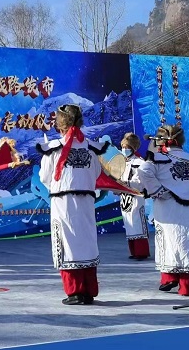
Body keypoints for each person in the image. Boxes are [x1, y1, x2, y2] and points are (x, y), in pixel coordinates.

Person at [37, 104, 108, 305]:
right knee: (86, 241)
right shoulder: (90, 147)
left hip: (63, 202)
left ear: (59, 124)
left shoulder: (53, 148)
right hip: (86, 201)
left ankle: (75, 291)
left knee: (67, 242)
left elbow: (44, 177)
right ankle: (89, 290)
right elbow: (96, 173)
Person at [137, 124, 189, 296]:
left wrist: (159, 191)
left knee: (168, 242)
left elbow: (143, 171)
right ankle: (188, 286)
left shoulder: (157, 158)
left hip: (168, 208)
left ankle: (169, 278)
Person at [118, 133, 150, 260]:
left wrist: (125, 184)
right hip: (125, 197)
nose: (124, 150)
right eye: (123, 147)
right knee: (129, 223)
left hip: (136, 196)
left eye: (126, 147)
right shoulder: (122, 162)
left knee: (137, 222)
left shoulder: (139, 162)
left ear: (133, 148)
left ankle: (142, 251)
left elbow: (140, 182)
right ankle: (134, 251)